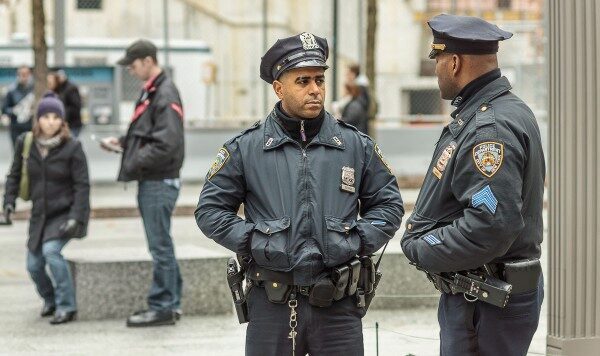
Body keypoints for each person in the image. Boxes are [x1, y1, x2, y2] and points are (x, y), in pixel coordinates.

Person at [195, 32, 404, 355]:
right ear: (278, 88)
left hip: (337, 306)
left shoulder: (354, 145)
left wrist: (357, 240)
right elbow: (210, 211)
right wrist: (255, 240)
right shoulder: (246, 148)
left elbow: (388, 205)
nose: (315, 90)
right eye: (302, 81)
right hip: (273, 304)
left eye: (320, 80)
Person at [400, 14, 545, 356]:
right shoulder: (500, 110)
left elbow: (490, 224)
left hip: (485, 303)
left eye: (437, 61)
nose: (436, 70)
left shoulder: (488, 129)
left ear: (454, 63)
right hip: (484, 296)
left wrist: (421, 246)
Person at [100, 39, 185, 327]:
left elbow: (166, 144)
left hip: (158, 181)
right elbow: (149, 135)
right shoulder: (154, 92)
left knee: (160, 246)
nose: (131, 71)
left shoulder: (164, 93)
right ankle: (172, 302)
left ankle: (163, 306)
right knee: (163, 244)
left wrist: (133, 159)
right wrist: (124, 144)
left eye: (133, 65)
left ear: (148, 61)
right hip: (155, 179)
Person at [1, 92, 90, 325]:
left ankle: (67, 305)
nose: (51, 121)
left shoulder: (73, 147)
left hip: (64, 213)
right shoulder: (26, 143)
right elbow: (14, 175)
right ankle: (50, 299)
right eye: (46, 116)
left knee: (51, 252)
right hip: (39, 214)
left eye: (55, 116)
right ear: (37, 119)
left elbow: (82, 186)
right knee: (33, 264)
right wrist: (8, 202)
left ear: (62, 120)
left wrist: (76, 217)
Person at [2, 65, 34, 147]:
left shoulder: (34, 89)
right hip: (16, 127)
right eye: (22, 74)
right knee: (17, 152)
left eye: (26, 74)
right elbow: (4, 109)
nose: (24, 76)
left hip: (31, 127)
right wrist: (14, 111)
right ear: (18, 74)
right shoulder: (11, 90)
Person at [54, 70, 83, 138]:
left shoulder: (71, 88)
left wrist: (64, 115)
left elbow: (76, 106)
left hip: (72, 124)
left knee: (71, 145)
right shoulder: (59, 88)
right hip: (66, 123)